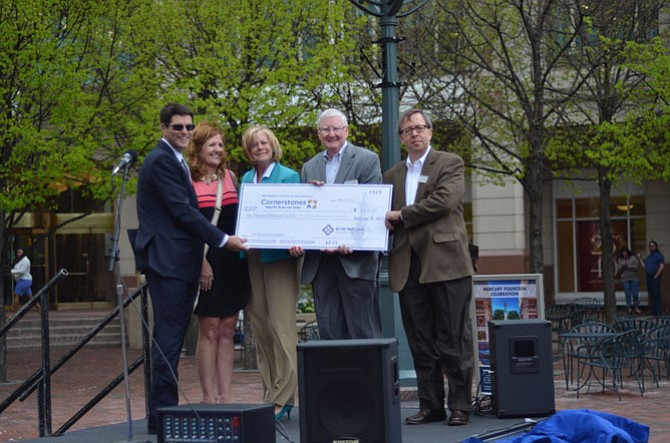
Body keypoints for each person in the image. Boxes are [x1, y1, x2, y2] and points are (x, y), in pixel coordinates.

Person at [133, 103, 247, 434]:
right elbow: (183, 211)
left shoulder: (174, 160)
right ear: (163, 128)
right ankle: (163, 415)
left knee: (169, 339)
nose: (183, 132)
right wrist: (224, 240)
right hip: (169, 263)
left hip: (177, 262)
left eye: (187, 127)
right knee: (169, 341)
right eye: (177, 127)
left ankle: (162, 414)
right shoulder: (162, 161)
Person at [384, 109, 475, 426]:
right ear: (401, 138)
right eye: (407, 130)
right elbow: (379, 213)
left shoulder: (450, 163)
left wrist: (402, 215)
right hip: (408, 265)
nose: (414, 134)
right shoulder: (392, 175)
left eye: (420, 128)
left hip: (446, 263)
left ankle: (461, 404)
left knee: (453, 340)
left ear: (430, 132)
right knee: (421, 342)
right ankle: (431, 405)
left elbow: (445, 201)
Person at [289, 108, 383, 340]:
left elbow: (371, 209)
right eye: (326, 129)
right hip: (321, 263)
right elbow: (305, 214)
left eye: (336, 128)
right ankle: (338, 378)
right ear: (318, 134)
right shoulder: (309, 167)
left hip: (355, 261)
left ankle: (367, 378)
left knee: (362, 331)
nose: (331, 134)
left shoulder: (367, 160)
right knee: (330, 331)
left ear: (346, 131)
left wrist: (351, 241)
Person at [186, 121, 251, 404]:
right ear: (198, 148)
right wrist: (201, 263)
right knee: (209, 328)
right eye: (211, 144)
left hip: (232, 261)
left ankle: (227, 395)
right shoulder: (187, 179)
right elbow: (188, 225)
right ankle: (208, 396)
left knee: (227, 328)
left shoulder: (231, 177)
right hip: (206, 260)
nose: (217, 150)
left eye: (220, 145)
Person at [241, 125, 302, 421]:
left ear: (272, 145)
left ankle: (285, 394)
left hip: (280, 258)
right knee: (260, 324)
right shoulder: (245, 178)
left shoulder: (289, 176)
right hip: (253, 255)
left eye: (263, 143)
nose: (259, 148)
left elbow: (297, 216)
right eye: (254, 145)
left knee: (281, 326)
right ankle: (270, 390)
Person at [638, 240, 666, 316]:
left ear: (656, 247)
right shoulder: (649, 257)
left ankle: (658, 313)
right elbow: (645, 266)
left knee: (656, 295)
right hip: (649, 278)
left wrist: (656, 275)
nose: (651, 247)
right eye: (650, 246)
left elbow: (662, 266)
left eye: (653, 246)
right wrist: (640, 258)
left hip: (655, 278)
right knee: (652, 295)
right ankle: (653, 312)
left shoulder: (659, 255)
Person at [616, 248, 641, 314]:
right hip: (625, 279)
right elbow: (618, 270)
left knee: (635, 294)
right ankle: (629, 307)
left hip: (634, 278)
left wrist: (629, 266)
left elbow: (637, 267)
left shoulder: (633, 258)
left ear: (628, 253)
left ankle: (636, 307)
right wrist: (622, 267)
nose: (624, 254)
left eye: (625, 253)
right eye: (623, 253)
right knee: (627, 294)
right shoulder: (620, 260)